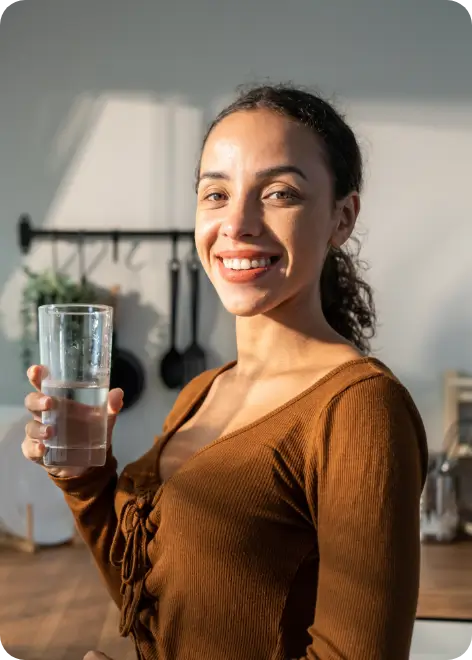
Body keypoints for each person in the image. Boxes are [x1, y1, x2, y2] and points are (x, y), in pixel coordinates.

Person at [22, 84, 428, 660]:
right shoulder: (202, 390)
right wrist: (85, 475)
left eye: (280, 192)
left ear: (343, 216)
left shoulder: (359, 409)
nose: (237, 223)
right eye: (216, 194)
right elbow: (158, 600)